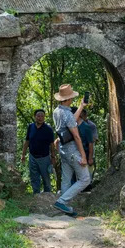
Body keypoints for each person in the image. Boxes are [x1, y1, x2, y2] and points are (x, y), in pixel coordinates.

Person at [52, 84, 90, 216]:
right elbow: (76, 136)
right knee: (85, 179)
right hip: (73, 151)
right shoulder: (67, 113)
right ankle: (62, 201)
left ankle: (64, 208)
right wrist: (84, 156)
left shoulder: (57, 111)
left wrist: (81, 106)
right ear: (68, 99)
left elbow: (70, 121)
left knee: (66, 179)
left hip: (63, 150)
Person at [20, 109, 56, 194]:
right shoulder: (31, 127)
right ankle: (36, 195)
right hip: (32, 157)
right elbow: (27, 141)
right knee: (34, 177)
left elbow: (51, 144)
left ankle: (48, 195)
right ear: (35, 116)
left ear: (44, 117)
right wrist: (23, 154)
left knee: (46, 178)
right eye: (38, 116)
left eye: (42, 116)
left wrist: (53, 157)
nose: (40, 118)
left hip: (44, 158)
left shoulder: (48, 129)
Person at [71, 109, 97, 185]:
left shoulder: (87, 126)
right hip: (74, 154)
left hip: (85, 153)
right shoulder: (72, 126)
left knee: (86, 176)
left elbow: (91, 143)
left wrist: (90, 158)